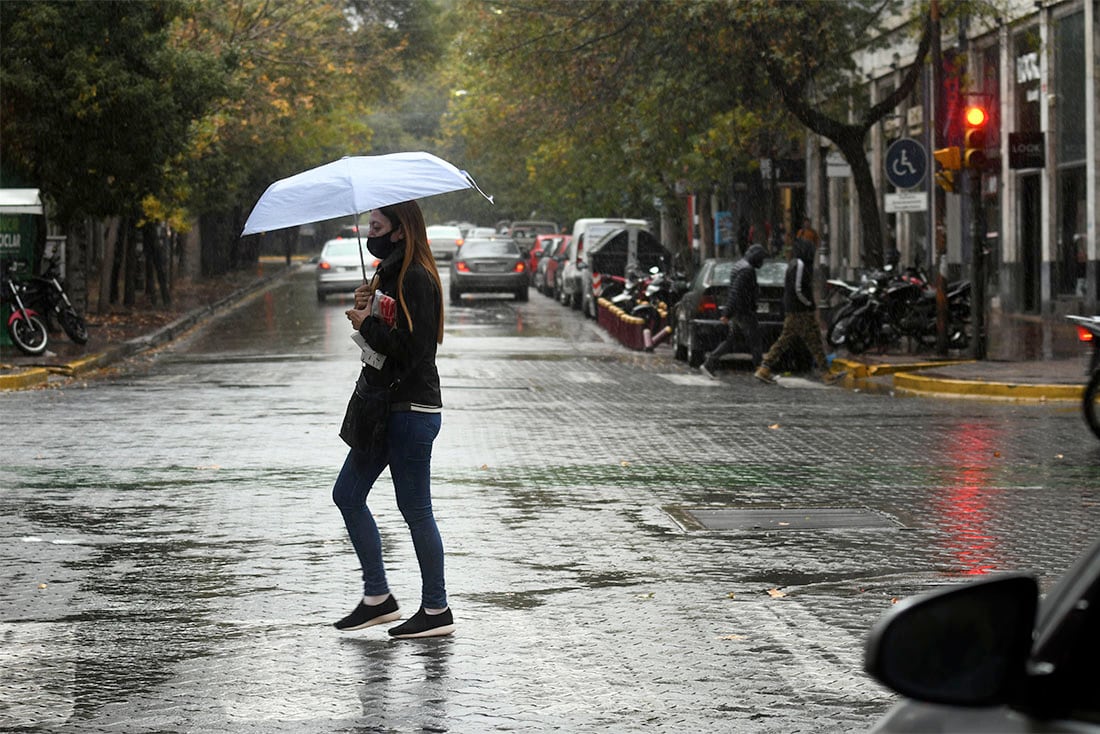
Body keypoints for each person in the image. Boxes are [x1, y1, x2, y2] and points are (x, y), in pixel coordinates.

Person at [332, 200, 454, 639]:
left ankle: (436, 609)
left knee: (416, 509)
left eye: (377, 225)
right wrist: (370, 306)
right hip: (386, 408)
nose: (371, 232)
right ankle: (378, 598)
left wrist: (367, 324)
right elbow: (389, 339)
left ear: (400, 230)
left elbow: (411, 350)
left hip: (411, 410)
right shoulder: (390, 275)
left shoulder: (417, 278)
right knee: (347, 494)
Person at [754, 237, 836, 385]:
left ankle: (826, 373)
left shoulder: (797, 264)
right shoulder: (799, 265)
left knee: (813, 341)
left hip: (800, 310)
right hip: (799, 311)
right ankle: (764, 368)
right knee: (791, 340)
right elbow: (798, 288)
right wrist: (808, 302)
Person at [700, 244, 767, 379]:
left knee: (732, 340)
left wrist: (729, 312)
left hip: (740, 311)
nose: (762, 262)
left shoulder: (741, 266)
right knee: (755, 341)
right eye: (761, 259)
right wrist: (727, 313)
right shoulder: (746, 270)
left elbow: (734, 291)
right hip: (744, 311)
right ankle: (761, 370)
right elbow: (736, 292)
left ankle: (709, 363)